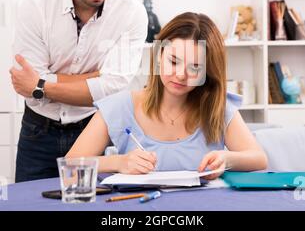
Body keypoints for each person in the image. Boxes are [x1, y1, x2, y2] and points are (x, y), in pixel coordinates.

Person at [10, 0, 148, 182]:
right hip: (38, 130)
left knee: (93, 205)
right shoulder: (35, 6)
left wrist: (41, 85)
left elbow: (113, 87)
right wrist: (95, 77)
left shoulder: (131, 13)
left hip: (95, 129)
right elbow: (26, 82)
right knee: (27, 205)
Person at [66, 12, 267, 178]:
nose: (181, 74)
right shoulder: (120, 106)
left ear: (208, 71)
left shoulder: (218, 107)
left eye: (195, 67)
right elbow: (70, 164)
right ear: (158, 56)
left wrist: (227, 159)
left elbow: (259, 158)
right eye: (173, 61)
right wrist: (119, 162)